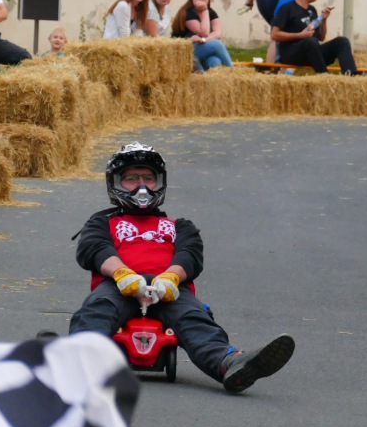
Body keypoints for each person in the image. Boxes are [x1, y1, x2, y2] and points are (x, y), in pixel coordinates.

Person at [69, 142, 295, 393]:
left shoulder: (179, 226)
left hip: (170, 289)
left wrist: (171, 278)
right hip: (118, 286)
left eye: (148, 178)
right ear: (116, 184)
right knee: (97, 310)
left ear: (160, 183)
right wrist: (122, 273)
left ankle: (229, 362)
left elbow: (190, 254)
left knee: (194, 318)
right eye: (131, 178)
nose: (141, 186)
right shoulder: (102, 222)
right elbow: (95, 248)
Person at [271, 0, 356, 75]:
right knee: (310, 41)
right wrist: (300, 35)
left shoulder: (312, 10)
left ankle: (352, 75)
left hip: (312, 52)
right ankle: (323, 75)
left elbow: (321, 37)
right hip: (292, 54)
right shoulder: (287, 9)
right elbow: (274, 35)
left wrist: (324, 20)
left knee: (342, 41)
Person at [171, 0, 233, 71]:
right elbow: (204, 32)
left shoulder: (211, 12)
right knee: (217, 44)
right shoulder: (187, 13)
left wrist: (204, 40)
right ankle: (233, 72)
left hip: (199, 47)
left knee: (215, 61)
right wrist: (204, 10)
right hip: (184, 50)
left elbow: (218, 33)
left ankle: (209, 82)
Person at [267, 0, 297, 64]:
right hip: (285, 23)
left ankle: (270, 64)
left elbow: (276, 12)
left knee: (274, 43)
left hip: (276, 21)